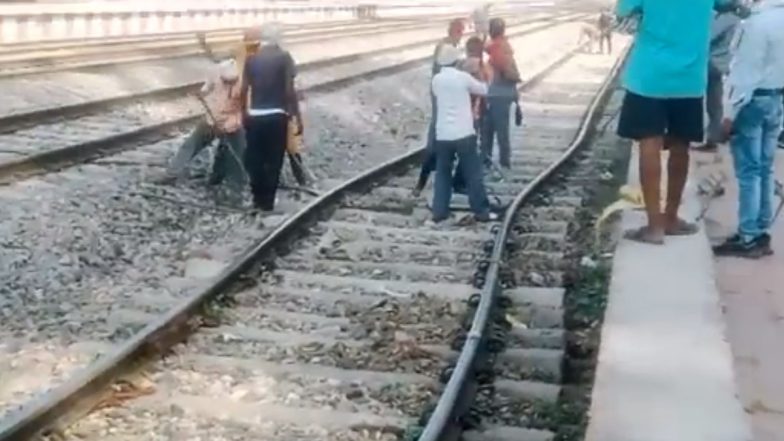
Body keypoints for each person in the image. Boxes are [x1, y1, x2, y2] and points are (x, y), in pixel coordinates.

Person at [615, 0, 745, 245]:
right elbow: (730, 3)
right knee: (680, 145)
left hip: (649, 74)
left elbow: (622, 11)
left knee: (648, 142)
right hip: (689, 76)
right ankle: (671, 219)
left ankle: (654, 227)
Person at [713, 0, 784, 257]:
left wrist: (729, 116)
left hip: (751, 101)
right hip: (776, 100)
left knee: (748, 172)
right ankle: (761, 230)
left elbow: (743, 74)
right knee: (765, 168)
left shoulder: (755, 25)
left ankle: (748, 235)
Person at [431, 45, 496, 223]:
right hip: (464, 133)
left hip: (443, 134)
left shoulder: (436, 80)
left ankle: (439, 211)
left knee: (443, 173)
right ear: (457, 60)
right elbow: (484, 90)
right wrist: (484, 73)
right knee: (472, 173)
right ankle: (481, 211)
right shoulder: (463, 78)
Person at [166, 59, 247, 203]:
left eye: (230, 81)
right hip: (211, 118)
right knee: (191, 144)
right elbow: (206, 89)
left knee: (235, 155)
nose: (227, 83)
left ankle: (235, 187)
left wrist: (229, 125)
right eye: (225, 80)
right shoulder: (215, 73)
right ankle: (172, 173)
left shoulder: (245, 84)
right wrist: (201, 94)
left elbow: (245, 111)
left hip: (231, 123)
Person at [241, 23, 302, 212]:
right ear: (279, 39)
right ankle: (267, 203)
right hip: (277, 116)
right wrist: (296, 116)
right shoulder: (284, 57)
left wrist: (244, 113)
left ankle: (256, 199)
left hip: (255, 115)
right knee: (274, 160)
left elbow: (243, 90)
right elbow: (289, 91)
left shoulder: (251, 59)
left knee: (255, 159)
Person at [412, 19, 468, 197]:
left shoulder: (448, 47)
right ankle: (423, 183)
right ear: (454, 31)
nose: (461, 35)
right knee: (437, 141)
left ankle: (431, 183)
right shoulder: (446, 48)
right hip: (443, 99)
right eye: (460, 31)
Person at [693, 7, 750, 152]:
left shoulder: (727, 19)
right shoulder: (737, 18)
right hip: (720, 64)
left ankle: (707, 137)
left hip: (713, 64)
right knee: (715, 103)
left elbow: (707, 36)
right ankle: (713, 136)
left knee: (707, 101)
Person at [482, 17, 521, 170]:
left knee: (491, 130)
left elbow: (495, 63)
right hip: (503, 94)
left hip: (496, 94)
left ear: (492, 30)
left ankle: (497, 160)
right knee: (498, 129)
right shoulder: (505, 45)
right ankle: (500, 159)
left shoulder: (496, 48)